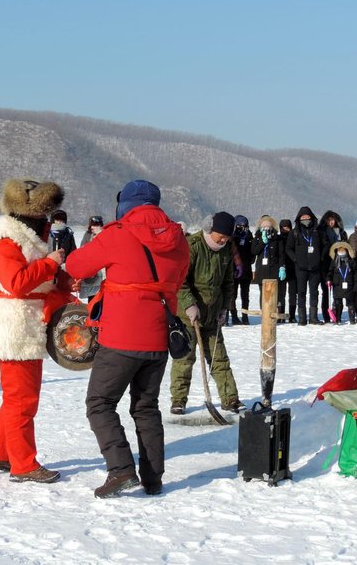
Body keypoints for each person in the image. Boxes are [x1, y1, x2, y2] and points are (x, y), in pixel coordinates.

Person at [65, 179, 189, 498]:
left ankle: (120, 470)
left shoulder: (117, 233)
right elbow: (178, 279)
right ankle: (153, 478)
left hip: (121, 335)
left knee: (100, 403)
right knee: (146, 407)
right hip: (159, 334)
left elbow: (76, 265)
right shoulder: (178, 238)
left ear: (125, 205)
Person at [0, 179, 75, 484]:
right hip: (13, 327)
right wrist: (50, 264)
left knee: (15, 397)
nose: (47, 220)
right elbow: (17, 282)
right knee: (22, 400)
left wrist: (58, 277)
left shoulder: (17, 236)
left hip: (21, 325)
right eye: (44, 213)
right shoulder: (5, 240)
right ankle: (23, 464)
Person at [170, 212, 243, 416]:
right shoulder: (192, 246)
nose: (224, 240)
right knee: (184, 359)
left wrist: (224, 308)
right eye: (221, 236)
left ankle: (230, 399)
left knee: (220, 359)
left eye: (227, 237)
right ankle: (178, 400)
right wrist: (189, 305)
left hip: (212, 315)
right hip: (188, 317)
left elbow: (228, 282)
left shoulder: (226, 250)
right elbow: (180, 280)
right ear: (210, 229)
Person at [286, 207, 325, 325]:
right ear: (299, 218)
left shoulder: (318, 231)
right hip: (300, 268)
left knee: (314, 292)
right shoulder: (295, 232)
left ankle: (313, 318)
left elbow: (326, 245)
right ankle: (302, 318)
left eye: (307, 217)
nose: (306, 219)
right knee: (301, 292)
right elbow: (288, 248)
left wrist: (320, 258)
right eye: (303, 217)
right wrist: (295, 259)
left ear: (312, 217)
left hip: (315, 268)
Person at [318, 211, 348, 322]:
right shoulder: (321, 232)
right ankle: (326, 315)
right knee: (326, 290)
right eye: (329, 220)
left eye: (333, 220)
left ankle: (337, 314)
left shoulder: (341, 232)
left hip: (339, 264)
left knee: (338, 291)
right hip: (325, 264)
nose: (331, 222)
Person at [251, 216, 285, 310]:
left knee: (275, 294)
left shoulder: (277, 238)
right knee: (263, 294)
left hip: (274, 270)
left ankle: (275, 313)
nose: (266, 228)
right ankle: (264, 313)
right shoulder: (257, 238)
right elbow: (254, 251)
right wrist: (262, 242)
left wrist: (282, 267)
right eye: (264, 227)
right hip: (261, 270)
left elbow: (281, 254)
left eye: (268, 227)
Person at [229, 215, 254, 325]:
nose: (242, 228)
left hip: (246, 270)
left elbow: (253, 255)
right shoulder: (232, 238)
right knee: (232, 295)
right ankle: (234, 316)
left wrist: (250, 240)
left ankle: (245, 316)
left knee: (245, 295)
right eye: (239, 226)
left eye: (244, 226)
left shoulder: (249, 237)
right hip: (234, 270)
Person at [327, 241, 357, 324]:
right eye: (339, 249)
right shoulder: (334, 261)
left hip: (349, 285)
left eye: (343, 249)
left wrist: (356, 284)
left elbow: (356, 273)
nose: (341, 251)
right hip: (337, 285)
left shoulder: (351, 261)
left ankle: (352, 319)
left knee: (351, 303)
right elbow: (330, 272)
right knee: (337, 303)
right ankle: (337, 319)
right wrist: (329, 279)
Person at [78, 215, 105, 302]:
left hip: (103, 270)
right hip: (92, 271)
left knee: (102, 296)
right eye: (92, 225)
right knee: (92, 297)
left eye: (95, 225)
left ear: (100, 225)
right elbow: (82, 250)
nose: (93, 227)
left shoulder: (106, 234)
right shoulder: (88, 234)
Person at [277, 218, 297, 323]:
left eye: (287, 228)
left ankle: (292, 315)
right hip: (281, 269)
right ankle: (281, 315)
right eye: (283, 228)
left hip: (293, 269)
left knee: (293, 293)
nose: (285, 230)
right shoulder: (278, 239)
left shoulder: (294, 238)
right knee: (281, 293)